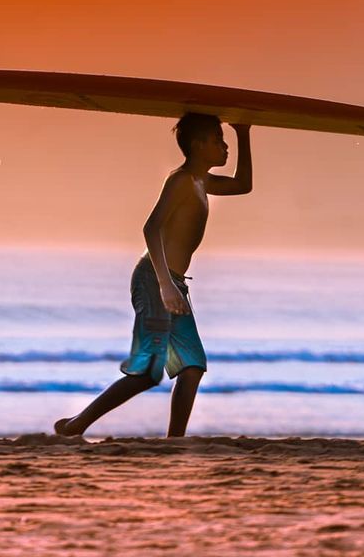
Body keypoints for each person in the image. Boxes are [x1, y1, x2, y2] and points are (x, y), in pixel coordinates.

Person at [54, 114, 252, 438]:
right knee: (147, 373)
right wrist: (164, 285)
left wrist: (243, 132)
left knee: (192, 368)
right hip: (154, 280)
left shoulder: (203, 182)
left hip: (172, 283)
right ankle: (76, 426)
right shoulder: (182, 181)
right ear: (199, 145)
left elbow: (244, 184)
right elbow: (151, 227)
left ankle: (174, 442)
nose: (225, 146)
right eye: (219, 139)